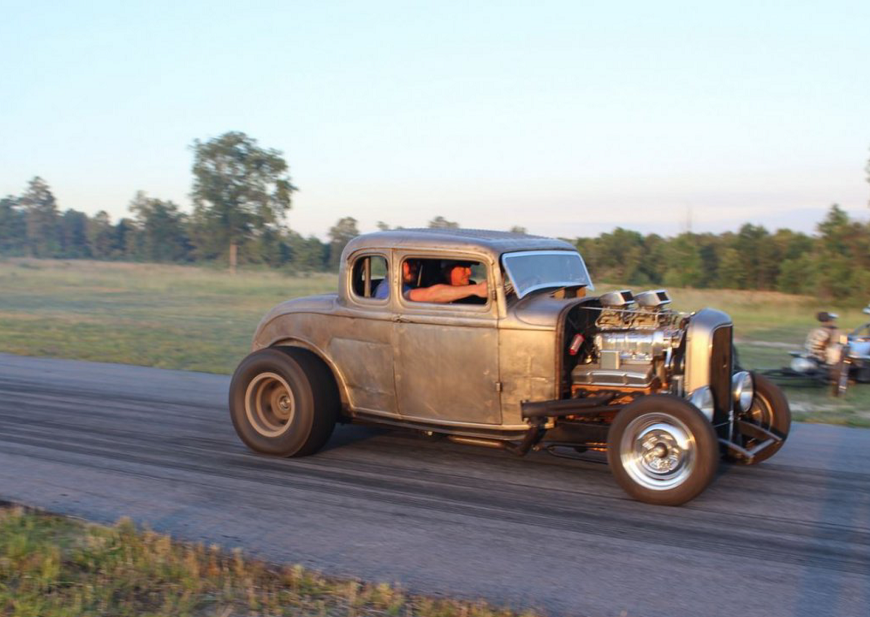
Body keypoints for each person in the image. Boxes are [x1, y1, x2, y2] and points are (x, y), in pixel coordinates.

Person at [374, 259, 487, 303]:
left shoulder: (409, 285)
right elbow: (430, 294)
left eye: (415, 263)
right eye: (409, 264)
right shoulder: (386, 289)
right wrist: (476, 289)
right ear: (394, 265)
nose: (415, 268)